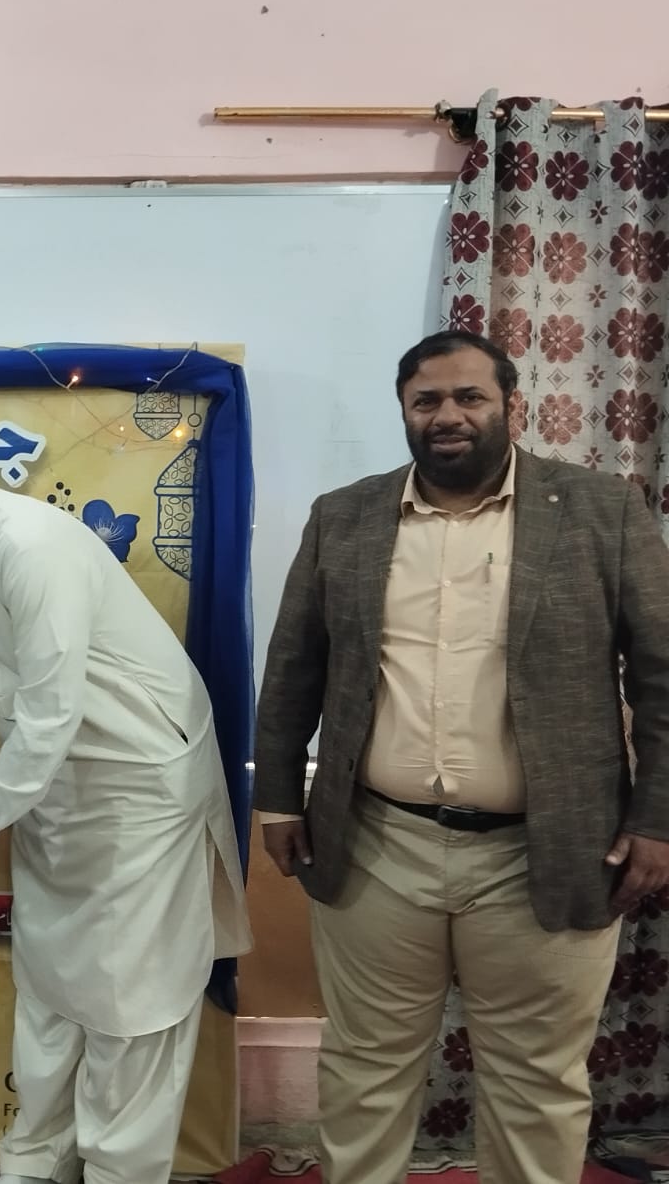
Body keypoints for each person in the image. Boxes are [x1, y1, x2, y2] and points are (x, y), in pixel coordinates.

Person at [254, 329, 669, 1184]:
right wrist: (279, 798)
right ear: (405, 412)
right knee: (364, 1071)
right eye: (427, 401)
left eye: (469, 397)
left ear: (511, 405)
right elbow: (295, 665)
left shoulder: (601, 509)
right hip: (377, 845)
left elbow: (664, 674)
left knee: (537, 1084)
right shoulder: (344, 516)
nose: (448, 415)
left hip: (546, 850)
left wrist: (658, 819)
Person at [0, 426, 250, 1184]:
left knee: (132, 1006)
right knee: (51, 995)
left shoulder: (30, 547)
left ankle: (118, 1174)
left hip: (140, 792)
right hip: (48, 794)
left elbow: (48, 720)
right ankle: (34, 1167)